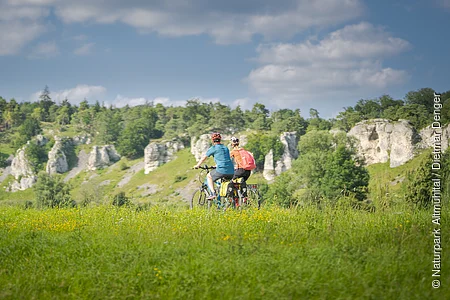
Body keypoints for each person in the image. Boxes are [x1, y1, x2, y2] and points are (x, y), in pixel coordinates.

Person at [193, 132, 234, 199]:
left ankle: (213, 193)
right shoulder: (225, 148)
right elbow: (224, 158)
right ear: (220, 140)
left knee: (209, 176)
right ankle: (224, 200)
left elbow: (204, 157)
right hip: (231, 171)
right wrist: (217, 165)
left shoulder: (214, 148)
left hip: (222, 170)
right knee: (222, 183)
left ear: (212, 140)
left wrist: (197, 165)